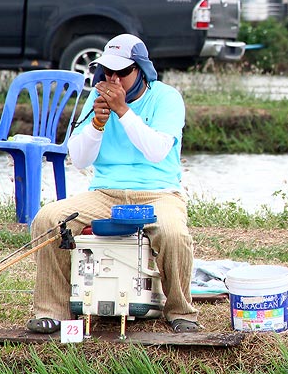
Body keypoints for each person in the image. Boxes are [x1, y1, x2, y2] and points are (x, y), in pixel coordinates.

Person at [26, 34, 199, 334]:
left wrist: (123, 111)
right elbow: (79, 159)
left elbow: (157, 151)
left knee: (173, 232)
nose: (114, 79)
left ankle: (180, 311)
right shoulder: (96, 98)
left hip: (158, 192)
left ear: (141, 70)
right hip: (105, 192)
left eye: (123, 72)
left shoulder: (167, 97)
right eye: (108, 72)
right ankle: (51, 309)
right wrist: (97, 125)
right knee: (49, 219)